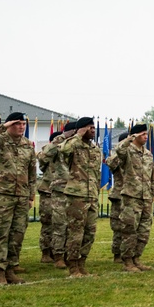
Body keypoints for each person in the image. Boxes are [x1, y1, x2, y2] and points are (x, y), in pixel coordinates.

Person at [0, 112, 37, 285]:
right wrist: (2, 127)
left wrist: (31, 195)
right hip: (1, 195)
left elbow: (31, 173)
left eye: (23, 124)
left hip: (21, 196)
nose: (21, 126)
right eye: (17, 123)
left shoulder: (27, 145)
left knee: (17, 234)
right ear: (9, 125)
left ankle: (10, 269)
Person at [61, 117, 103, 277]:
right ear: (81, 129)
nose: (92, 130)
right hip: (76, 195)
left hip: (91, 195)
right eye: (89, 128)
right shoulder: (74, 145)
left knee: (90, 233)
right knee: (76, 232)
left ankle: (81, 264)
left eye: (93, 127)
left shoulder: (95, 149)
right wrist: (78, 135)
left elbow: (96, 174)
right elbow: (63, 150)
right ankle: (72, 267)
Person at [110, 124, 154, 271]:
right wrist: (129, 138)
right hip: (131, 196)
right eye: (142, 134)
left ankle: (137, 258)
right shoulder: (127, 151)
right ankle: (127, 261)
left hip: (146, 197)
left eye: (146, 134)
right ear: (135, 136)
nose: (146, 136)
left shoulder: (148, 154)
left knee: (144, 230)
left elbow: (151, 177)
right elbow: (119, 150)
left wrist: (152, 193)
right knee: (129, 229)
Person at [50, 121, 77, 268]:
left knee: (73, 226)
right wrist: (62, 137)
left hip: (76, 190)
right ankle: (58, 256)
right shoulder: (58, 144)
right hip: (60, 189)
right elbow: (44, 155)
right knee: (60, 225)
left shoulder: (80, 145)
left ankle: (70, 255)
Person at [35, 130, 63, 264]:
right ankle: (46, 252)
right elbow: (42, 161)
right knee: (47, 223)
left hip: (62, 191)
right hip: (48, 191)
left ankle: (58, 251)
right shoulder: (47, 152)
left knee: (61, 224)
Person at [108, 132, 127, 263]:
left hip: (132, 195)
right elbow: (111, 163)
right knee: (118, 226)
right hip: (119, 195)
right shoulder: (115, 158)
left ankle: (128, 252)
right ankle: (117, 254)